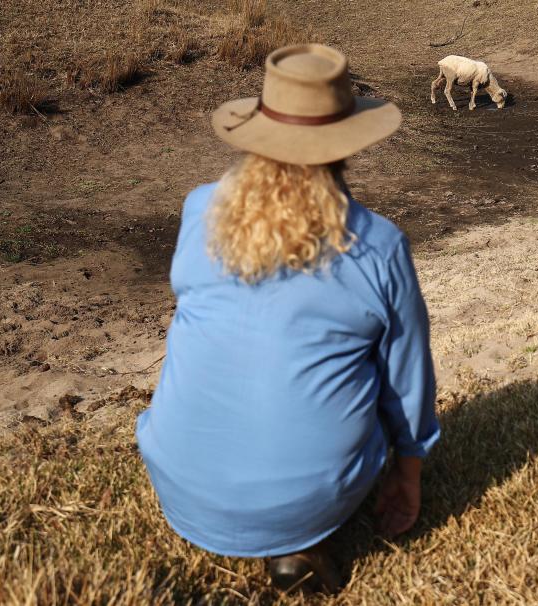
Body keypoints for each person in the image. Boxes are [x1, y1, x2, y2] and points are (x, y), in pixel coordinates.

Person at [136, 43, 439, 594]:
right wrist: (408, 470)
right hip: (312, 497)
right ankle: (302, 541)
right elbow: (407, 379)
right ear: (347, 142)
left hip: (180, 479)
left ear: (257, 132)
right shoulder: (378, 245)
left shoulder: (200, 209)